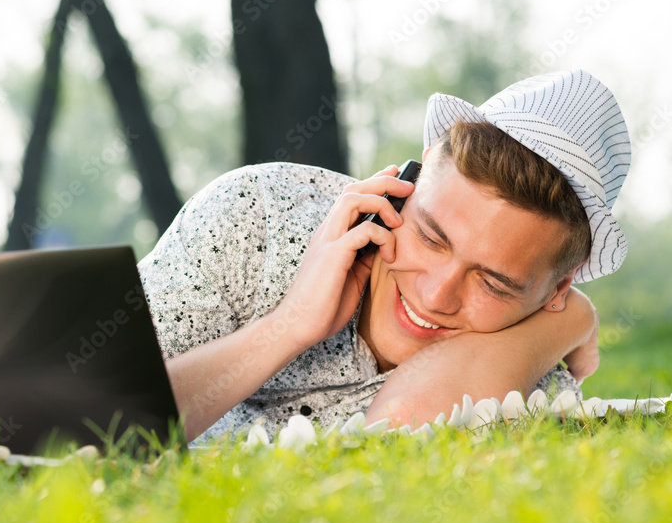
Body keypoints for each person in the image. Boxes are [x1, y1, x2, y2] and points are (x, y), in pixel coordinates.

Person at [137, 69, 630, 444]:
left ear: (555, 292)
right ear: (401, 190)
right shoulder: (257, 217)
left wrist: (570, 321)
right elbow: (84, 425)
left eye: (493, 284)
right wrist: (289, 324)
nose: (436, 294)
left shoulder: (528, 368)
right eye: (431, 238)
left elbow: (396, 441)